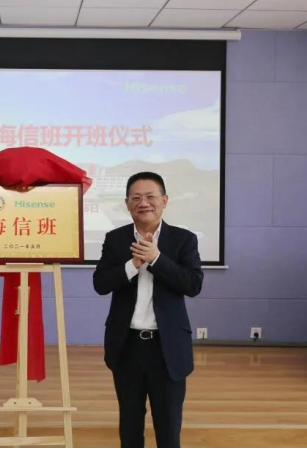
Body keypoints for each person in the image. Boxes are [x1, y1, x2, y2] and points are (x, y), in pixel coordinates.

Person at [93, 172, 204, 448]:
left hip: (167, 348)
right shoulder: (116, 239)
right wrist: (133, 265)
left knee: (168, 428)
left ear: (164, 201)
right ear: (127, 204)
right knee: (130, 426)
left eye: (151, 196)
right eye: (136, 197)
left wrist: (156, 259)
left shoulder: (183, 240)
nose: (143, 203)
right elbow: (101, 283)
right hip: (126, 346)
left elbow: (193, 285)